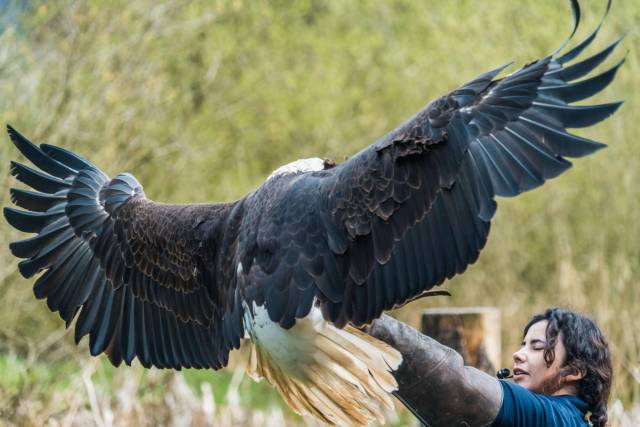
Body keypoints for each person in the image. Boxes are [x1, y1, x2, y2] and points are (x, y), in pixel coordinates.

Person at [367, 307, 612, 427]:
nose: (518, 354)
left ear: (574, 371)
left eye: (536, 347)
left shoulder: (553, 418)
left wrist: (364, 320)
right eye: (523, 344)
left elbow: (460, 387)